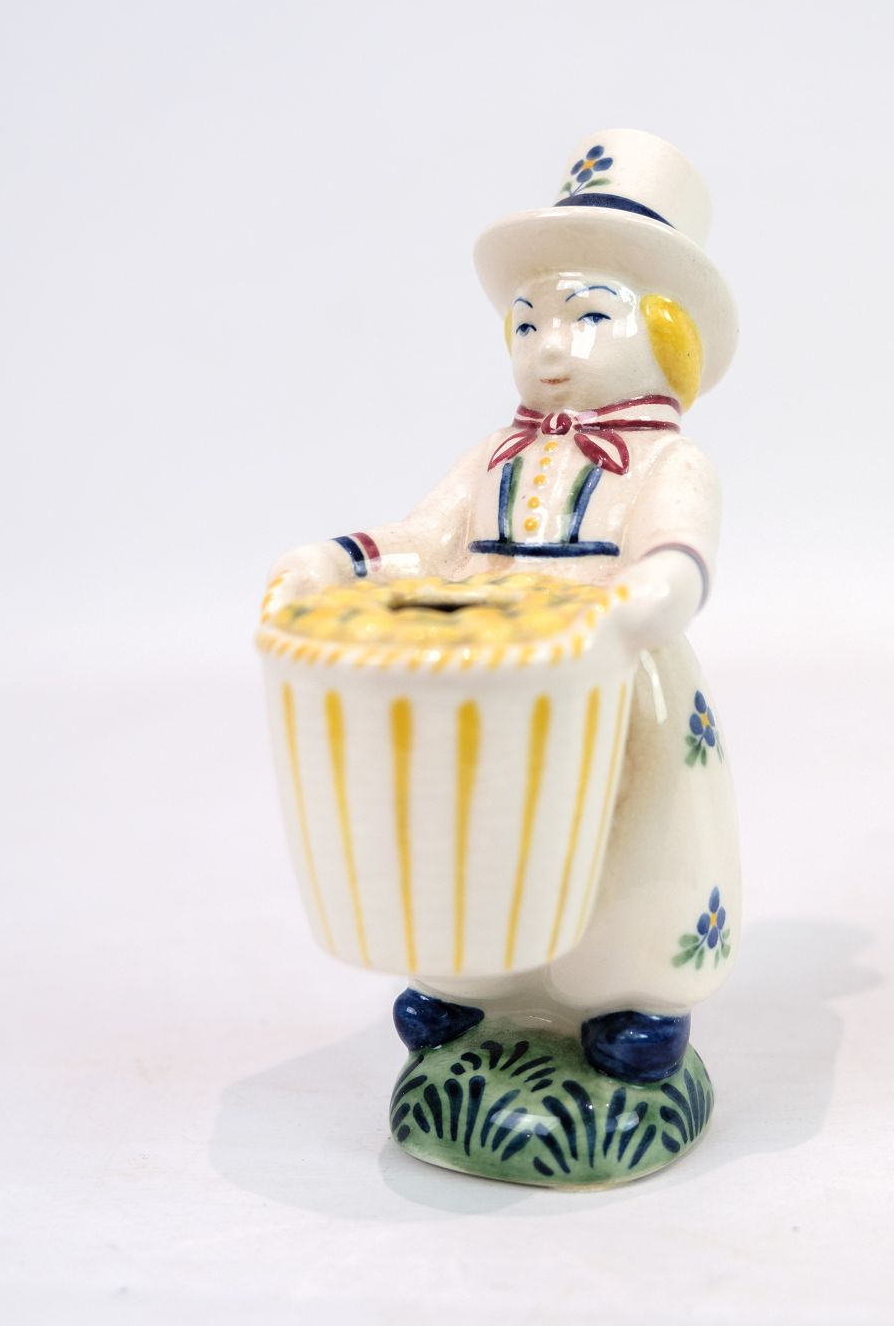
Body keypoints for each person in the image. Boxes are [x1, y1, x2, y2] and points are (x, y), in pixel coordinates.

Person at [265, 129, 740, 1085]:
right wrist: (338, 560)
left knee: (634, 836)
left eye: (589, 316)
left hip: (619, 678)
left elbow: (677, 560)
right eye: (527, 325)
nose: (550, 348)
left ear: (668, 332)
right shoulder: (497, 454)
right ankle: (475, 982)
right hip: (493, 676)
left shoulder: (668, 462)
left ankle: (630, 990)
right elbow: (423, 537)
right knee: (473, 823)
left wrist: (637, 605)